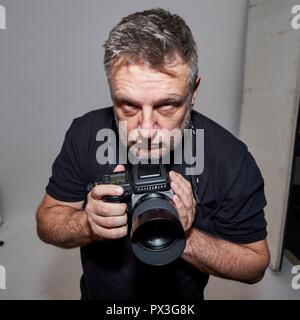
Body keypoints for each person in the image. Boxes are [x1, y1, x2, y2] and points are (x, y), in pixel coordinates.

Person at [36, 8, 270, 300]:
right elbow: (46, 221)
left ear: (193, 91)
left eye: (167, 105)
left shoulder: (231, 159)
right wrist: (88, 223)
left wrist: (183, 235)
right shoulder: (85, 134)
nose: (146, 130)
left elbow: (255, 264)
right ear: (111, 90)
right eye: (128, 105)